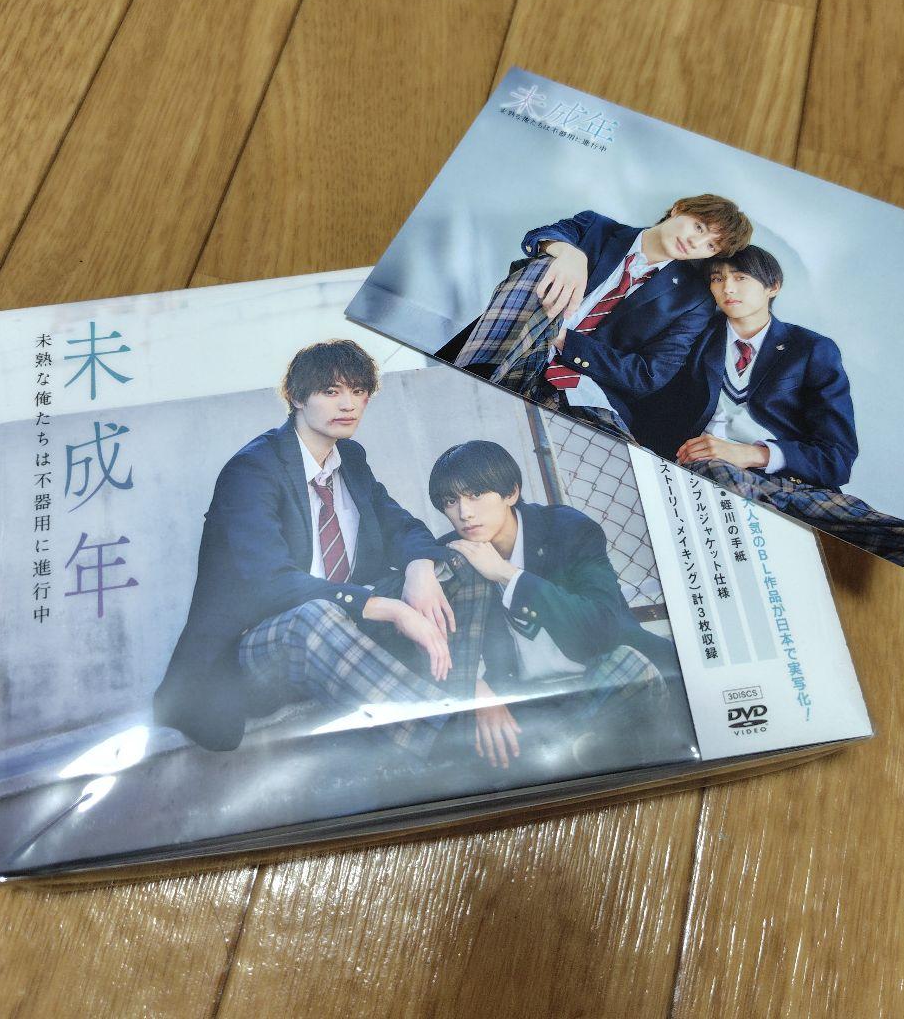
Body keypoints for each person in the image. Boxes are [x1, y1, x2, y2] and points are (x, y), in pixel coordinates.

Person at [153, 339, 488, 755]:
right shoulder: (253, 469)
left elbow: (401, 526)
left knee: (457, 564)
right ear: (297, 397)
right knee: (315, 614)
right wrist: (392, 608)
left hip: (340, 636)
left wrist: (419, 570)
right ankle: (448, 746)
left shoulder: (350, 459)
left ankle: (459, 706)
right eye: (331, 392)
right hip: (254, 656)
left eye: (358, 391)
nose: (348, 404)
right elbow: (270, 583)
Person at [427, 440, 694, 773]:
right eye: (450, 501)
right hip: (532, 697)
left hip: (606, 678)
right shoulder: (454, 555)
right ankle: (565, 748)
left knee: (625, 664)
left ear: (511, 493)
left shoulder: (567, 530)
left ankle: (566, 748)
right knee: (461, 736)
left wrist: (508, 575)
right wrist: (476, 689)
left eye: (476, 494)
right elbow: (425, 638)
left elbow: (602, 629)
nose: (464, 513)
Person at [436, 195, 753, 438]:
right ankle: (468, 396)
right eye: (699, 227)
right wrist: (568, 253)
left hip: (581, 385)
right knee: (543, 267)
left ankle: (480, 403)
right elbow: (541, 236)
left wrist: (564, 340)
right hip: (516, 342)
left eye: (710, 245)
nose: (696, 242)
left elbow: (649, 375)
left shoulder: (692, 301)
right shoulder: (597, 228)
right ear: (679, 209)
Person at [637, 245, 858, 489]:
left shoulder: (811, 349)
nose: (727, 288)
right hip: (700, 469)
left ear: (773, 286)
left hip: (785, 481)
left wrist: (755, 454)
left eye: (741, 277)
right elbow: (646, 386)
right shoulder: (694, 333)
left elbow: (837, 458)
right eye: (717, 278)